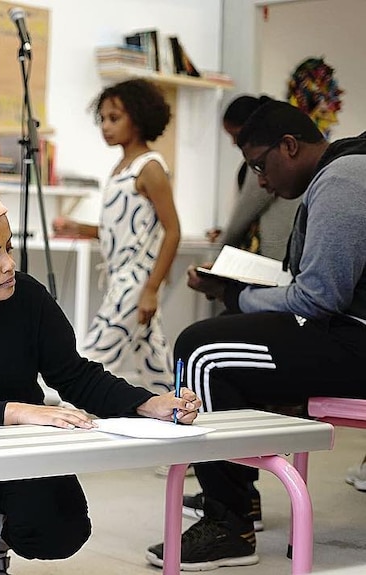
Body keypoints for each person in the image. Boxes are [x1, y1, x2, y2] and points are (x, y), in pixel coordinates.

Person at [0, 180, 200, 575]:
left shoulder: (27, 297)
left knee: (62, 530)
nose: (9, 264)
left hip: (16, 447)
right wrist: (17, 411)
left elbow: (74, 375)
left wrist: (147, 403)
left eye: (9, 248)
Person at [146, 99, 366, 570]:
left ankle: (229, 522)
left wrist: (236, 296)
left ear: (289, 146)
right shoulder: (343, 171)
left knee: (202, 349)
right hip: (350, 336)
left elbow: (318, 297)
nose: (261, 181)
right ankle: (236, 499)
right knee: (216, 342)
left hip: (357, 342)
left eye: (260, 165)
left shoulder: (344, 178)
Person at [52, 78, 181, 392]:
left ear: (137, 119)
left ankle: (70, 413)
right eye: (103, 120)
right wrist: (79, 229)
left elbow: (173, 231)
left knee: (93, 357)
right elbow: (122, 231)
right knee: (153, 362)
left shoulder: (149, 168)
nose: (105, 127)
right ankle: (178, 409)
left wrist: (150, 289)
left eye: (114, 118)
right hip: (120, 277)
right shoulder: (121, 168)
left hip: (135, 283)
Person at [207, 95, 300, 261]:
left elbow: (244, 214)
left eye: (236, 135)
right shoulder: (267, 158)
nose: (235, 143)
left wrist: (218, 257)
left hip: (274, 254)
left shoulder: (264, 162)